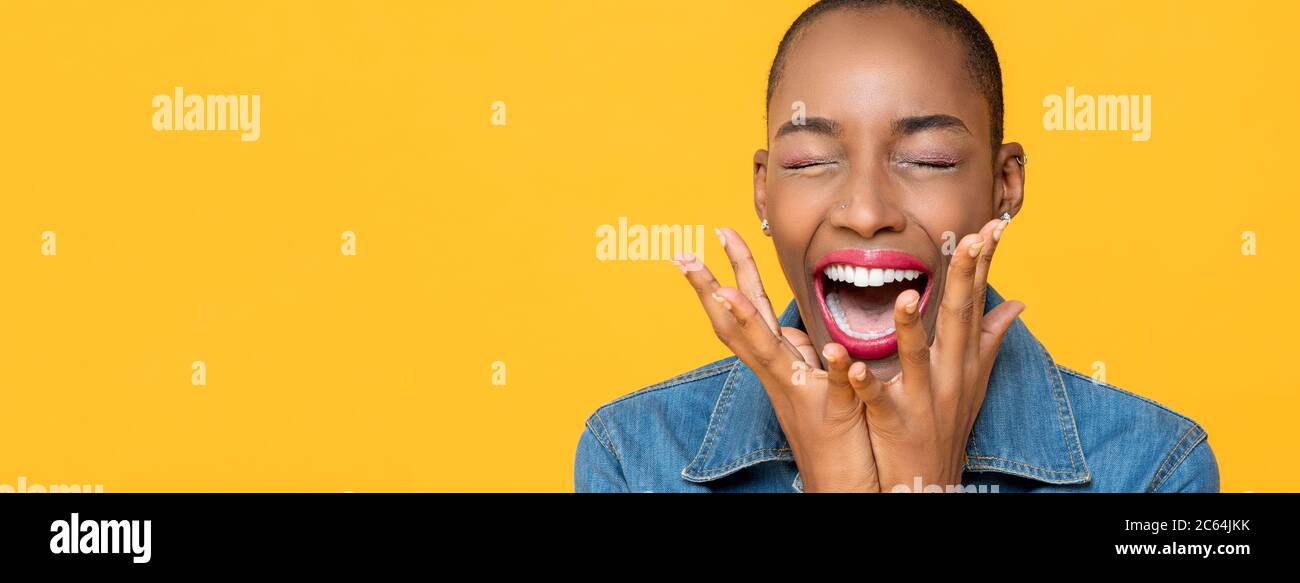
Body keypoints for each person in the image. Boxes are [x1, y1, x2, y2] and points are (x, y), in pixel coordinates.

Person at [574, 0, 1219, 492]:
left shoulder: (1156, 472)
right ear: (764, 191)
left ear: (1005, 184)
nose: (868, 212)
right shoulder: (632, 456)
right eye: (809, 163)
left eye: (928, 159)